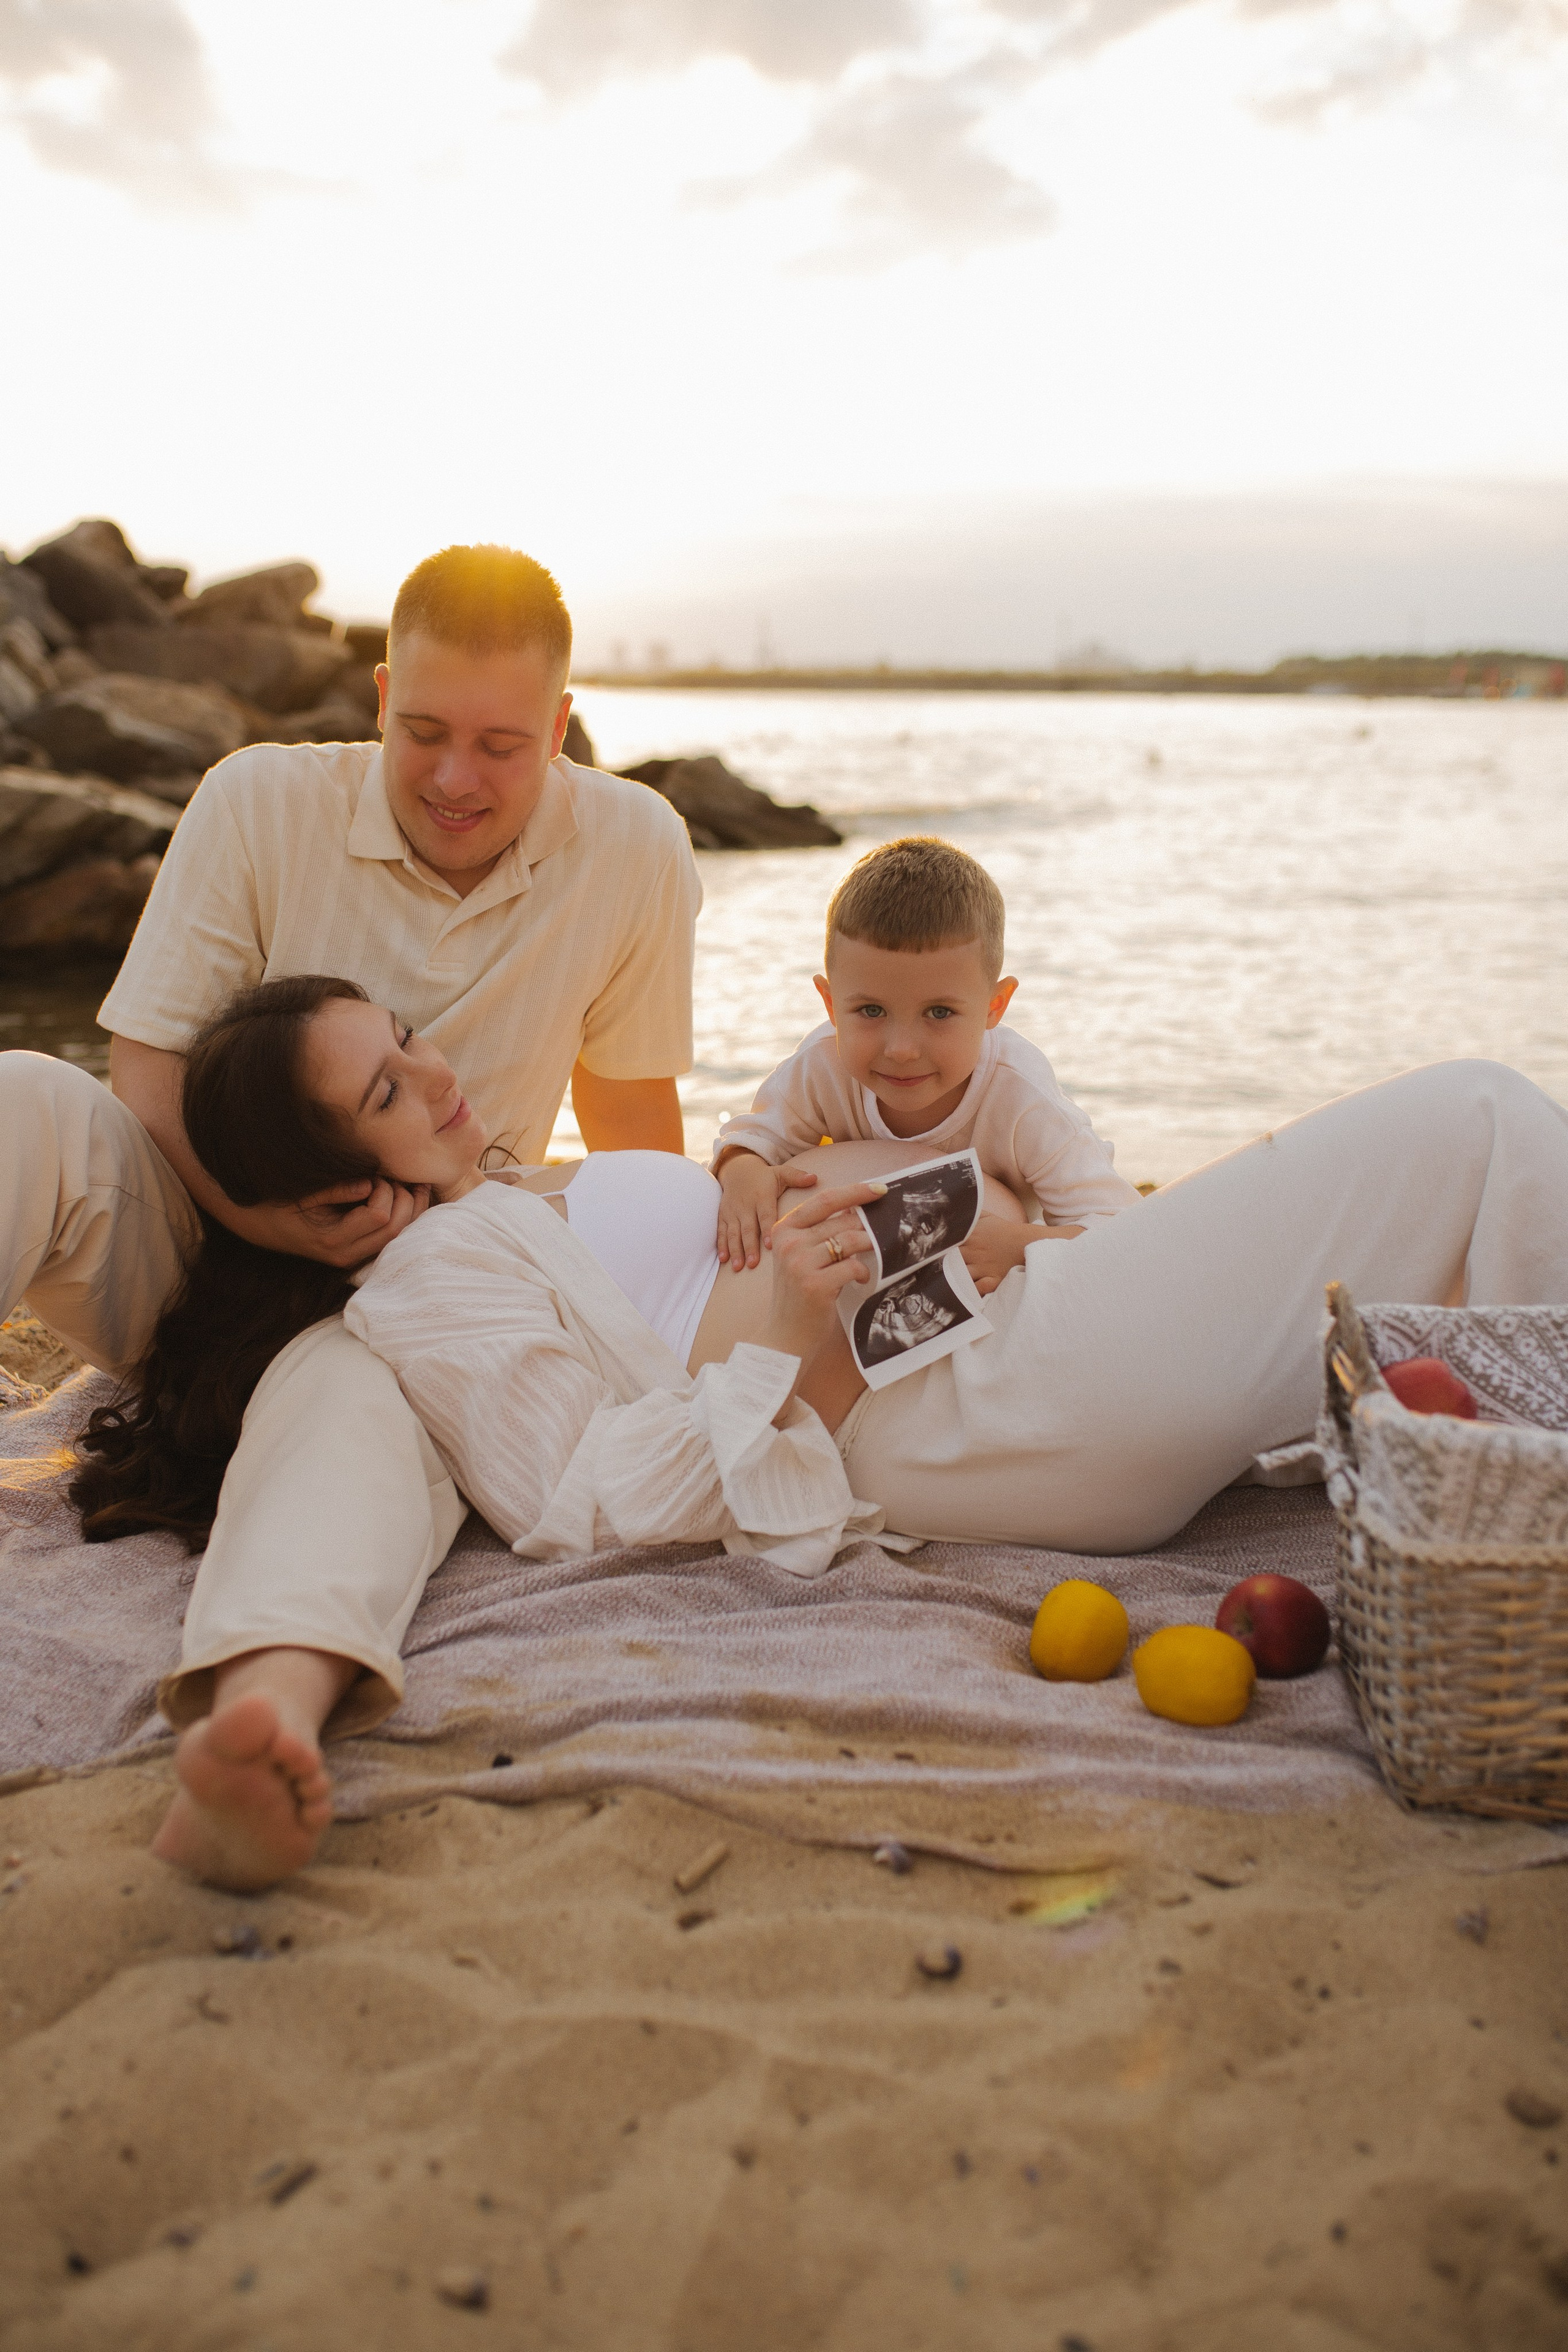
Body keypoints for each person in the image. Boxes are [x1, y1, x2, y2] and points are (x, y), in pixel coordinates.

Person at [74, 974, 1568, 1891]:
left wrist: (939, 1227)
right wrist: (797, 1335)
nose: (439, 1070)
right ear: (334, 1195)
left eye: (404, 1037)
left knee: (1413, 1222)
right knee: (1475, 1123)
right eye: (388, 1087)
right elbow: (590, 1497)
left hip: (973, 1346)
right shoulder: (422, 1284)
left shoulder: (491, 1203)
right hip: (947, 1406)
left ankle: (1515, 1502)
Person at [1, 542, 701, 1832]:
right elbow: (145, 1078)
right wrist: (271, 1217)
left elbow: (636, 1151)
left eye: (501, 746)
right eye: (423, 730)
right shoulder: (258, 801)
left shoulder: (635, 846)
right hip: (204, 1245)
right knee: (30, 1098)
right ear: (379, 695)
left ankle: (258, 1721)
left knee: (355, 1432)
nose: (453, 777)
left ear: (560, 725)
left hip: (421, 1304)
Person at [710, 836, 1140, 1283]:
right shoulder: (823, 1068)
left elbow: (1124, 1229)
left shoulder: (1020, 1098)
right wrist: (743, 1171)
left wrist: (1019, 1246)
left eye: (940, 1013)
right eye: (871, 1011)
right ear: (830, 1002)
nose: (901, 1049)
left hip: (983, 1279)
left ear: (995, 1006)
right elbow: (752, 1138)